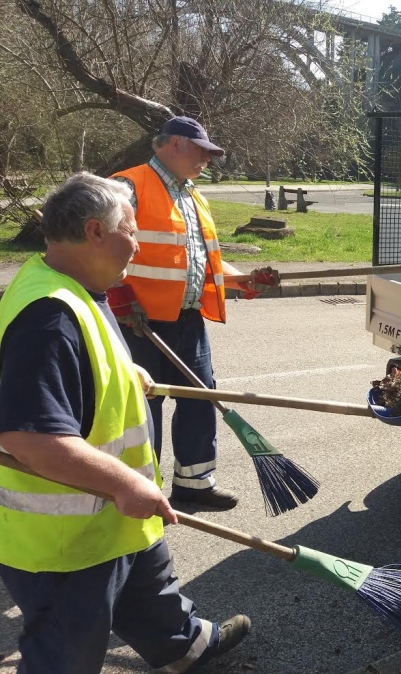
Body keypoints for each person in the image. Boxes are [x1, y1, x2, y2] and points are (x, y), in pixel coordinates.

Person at [0, 172, 250, 673]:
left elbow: (77, 366)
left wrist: (121, 369)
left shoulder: (75, 285)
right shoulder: (49, 318)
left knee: (152, 587)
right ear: (95, 231)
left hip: (114, 517)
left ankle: (183, 647)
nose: (136, 244)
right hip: (70, 540)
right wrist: (124, 484)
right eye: (130, 230)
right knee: (66, 652)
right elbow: (29, 440)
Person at [109, 116, 278, 511]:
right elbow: (99, 242)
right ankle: (140, 490)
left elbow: (203, 263)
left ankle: (194, 485)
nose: (206, 160)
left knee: (200, 400)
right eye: (201, 151)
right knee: (142, 405)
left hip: (188, 320)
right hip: (138, 322)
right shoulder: (130, 186)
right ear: (173, 145)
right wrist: (118, 298)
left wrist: (244, 281)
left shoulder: (192, 196)